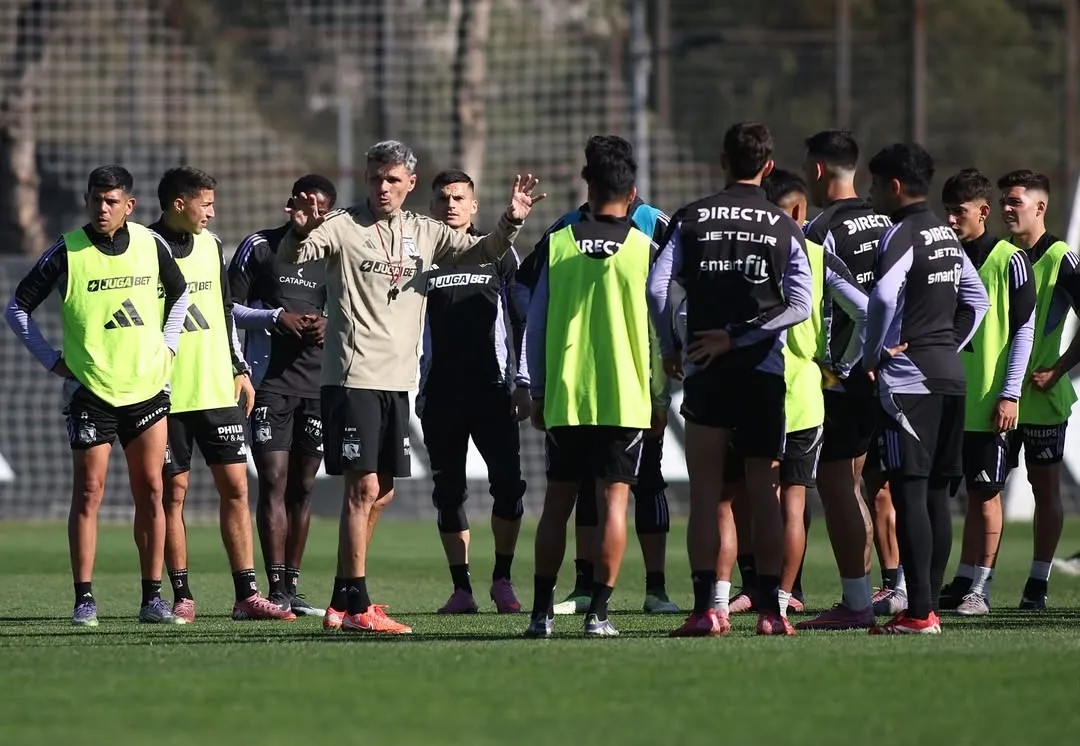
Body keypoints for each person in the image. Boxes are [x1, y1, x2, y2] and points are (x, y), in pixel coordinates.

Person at [280, 140, 544, 635]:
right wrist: (299, 233)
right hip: (355, 376)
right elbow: (299, 255)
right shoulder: (341, 224)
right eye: (376, 177)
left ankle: (342, 598)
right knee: (362, 489)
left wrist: (512, 221)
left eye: (392, 179)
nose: (382, 187)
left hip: (398, 383)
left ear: (409, 184)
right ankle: (358, 603)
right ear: (366, 176)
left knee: (380, 492)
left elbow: (483, 251)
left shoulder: (424, 233)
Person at [4, 165, 189, 626]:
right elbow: (17, 307)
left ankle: (152, 597)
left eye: (112, 202)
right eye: (95, 200)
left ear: (130, 206)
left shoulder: (152, 243)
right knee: (89, 493)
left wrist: (168, 345)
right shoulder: (67, 250)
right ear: (87, 201)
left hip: (146, 390)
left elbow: (181, 295)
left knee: (151, 491)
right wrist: (50, 359)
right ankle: (84, 598)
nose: (102, 209)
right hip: (91, 392)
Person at [649, 121, 813, 637]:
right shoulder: (783, 225)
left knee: (707, 493)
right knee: (764, 493)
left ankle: (707, 610)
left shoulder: (692, 217)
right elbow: (801, 306)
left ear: (722, 161)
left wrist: (673, 346)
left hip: (707, 370)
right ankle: (772, 611)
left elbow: (657, 288)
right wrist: (742, 336)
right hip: (763, 373)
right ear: (767, 167)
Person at [517, 167, 677, 616]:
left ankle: (540, 615)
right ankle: (599, 616)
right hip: (625, 397)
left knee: (556, 506)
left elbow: (537, 321)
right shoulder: (645, 248)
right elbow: (656, 332)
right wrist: (660, 398)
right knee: (615, 505)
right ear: (632, 194)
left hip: (567, 396)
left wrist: (537, 386)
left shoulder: (559, 242)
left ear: (588, 186)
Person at [151, 167, 293, 623]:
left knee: (235, 488)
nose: (212, 211)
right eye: (205, 203)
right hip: (167, 393)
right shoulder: (142, 248)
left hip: (217, 387)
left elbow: (225, 312)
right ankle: (182, 594)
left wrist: (240, 368)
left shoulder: (213, 247)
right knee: (174, 495)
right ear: (179, 203)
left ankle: (247, 596)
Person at [863, 143, 989, 635]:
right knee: (937, 494)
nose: (873, 193)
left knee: (910, 492)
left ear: (894, 186)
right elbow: (976, 301)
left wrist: (876, 353)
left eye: (876, 185)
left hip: (910, 381)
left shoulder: (903, 231)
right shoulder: (944, 232)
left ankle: (918, 613)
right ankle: (927, 608)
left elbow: (881, 295)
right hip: (949, 377)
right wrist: (947, 345)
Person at [795, 129, 901, 627]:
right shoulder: (891, 220)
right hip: (897, 372)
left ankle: (857, 603)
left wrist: (842, 366)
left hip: (845, 379)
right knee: (865, 487)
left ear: (817, 170)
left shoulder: (821, 231)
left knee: (837, 485)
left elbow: (837, 308)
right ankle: (891, 594)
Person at [761, 169, 871, 631]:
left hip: (755, 388)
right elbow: (866, 311)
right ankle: (781, 603)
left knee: (749, 497)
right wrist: (839, 363)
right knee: (797, 499)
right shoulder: (814, 253)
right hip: (808, 389)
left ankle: (722, 601)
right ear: (799, 211)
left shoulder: (746, 252)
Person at [417, 168, 530, 614]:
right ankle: (461, 589)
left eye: (459, 198)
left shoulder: (497, 253)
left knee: (508, 487)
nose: (451, 205)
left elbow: (520, 320)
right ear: (431, 206)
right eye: (443, 198)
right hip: (440, 393)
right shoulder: (422, 259)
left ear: (474, 205)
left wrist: (522, 381)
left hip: (492, 391)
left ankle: (502, 579)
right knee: (449, 492)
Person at [228, 174, 337, 618]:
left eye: (320, 208)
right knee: (272, 480)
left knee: (304, 487)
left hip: (318, 384)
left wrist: (331, 321)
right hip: (270, 383)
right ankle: (273, 587)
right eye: (304, 204)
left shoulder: (337, 255)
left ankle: (293, 586)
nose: (311, 213)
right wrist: (275, 317)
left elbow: (357, 305)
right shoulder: (259, 246)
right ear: (290, 202)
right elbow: (226, 306)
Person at [937, 168, 1035, 616]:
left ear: (983, 211)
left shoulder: (1008, 260)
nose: (952, 222)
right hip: (949, 399)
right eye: (947, 213)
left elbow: (1023, 331)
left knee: (987, 493)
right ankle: (960, 579)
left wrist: (1010, 393)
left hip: (990, 401)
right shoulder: (945, 259)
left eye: (959, 212)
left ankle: (982, 588)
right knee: (954, 494)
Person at [1002, 169, 1080, 609]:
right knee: (985, 489)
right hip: (996, 397)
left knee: (1043, 486)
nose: (1007, 209)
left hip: (1042, 397)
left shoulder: (1061, 258)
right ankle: (975, 582)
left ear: (1040, 207)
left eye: (1015, 201)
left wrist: (1059, 369)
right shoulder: (1001, 256)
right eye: (1004, 202)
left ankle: (1037, 583)